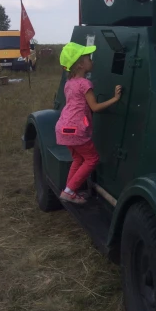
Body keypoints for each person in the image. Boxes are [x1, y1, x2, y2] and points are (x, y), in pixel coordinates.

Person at [55, 42, 122, 205]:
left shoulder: (69, 83)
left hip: (63, 127)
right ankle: (69, 191)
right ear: (80, 65)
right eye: (88, 58)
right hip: (77, 129)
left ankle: (69, 190)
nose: (92, 61)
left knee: (78, 159)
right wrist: (115, 98)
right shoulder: (85, 84)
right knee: (92, 158)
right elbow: (95, 107)